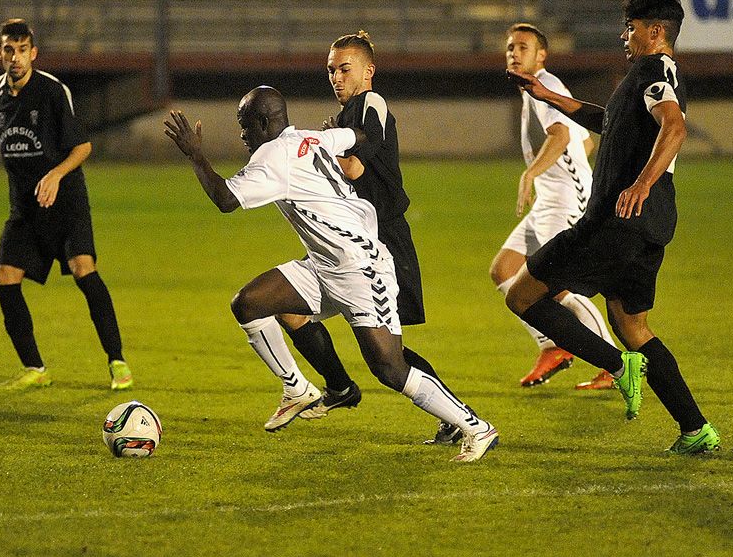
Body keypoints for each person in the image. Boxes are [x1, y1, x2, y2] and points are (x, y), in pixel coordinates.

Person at [163, 87, 498, 462]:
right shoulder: (313, 137)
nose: (242, 135)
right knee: (250, 303)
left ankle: (475, 427)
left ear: (262, 123)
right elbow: (360, 136)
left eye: (244, 126)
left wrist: (195, 155)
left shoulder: (273, 156)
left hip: (360, 267)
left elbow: (225, 199)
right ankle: (296, 388)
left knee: (389, 368)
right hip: (324, 265)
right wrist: (340, 140)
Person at [504, 0, 720, 454]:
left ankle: (618, 368)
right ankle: (695, 428)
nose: (625, 35)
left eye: (632, 27)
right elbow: (610, 123)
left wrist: (641, 183)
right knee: (632, 326)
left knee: (522, 295)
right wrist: (550, 97)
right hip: (647, 228)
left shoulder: (656, 70)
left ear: (655, 31)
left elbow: (674, 126)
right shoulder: (640, 78)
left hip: (614, 223)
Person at [272, 31, 465, 443]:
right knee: (289, 309)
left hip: (386, 242)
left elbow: (355, 168)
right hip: (354, 243)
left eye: (345, 69)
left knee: (387, 355)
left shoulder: (371, 103)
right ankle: (339, 387)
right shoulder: (345, 118)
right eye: (330, 70)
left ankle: (459, 419)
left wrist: (312, 153)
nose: (336, 77)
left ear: (368, 71)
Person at [0, 19, 133, 391]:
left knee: (83, 269)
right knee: (4, 277)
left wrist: (56, 175)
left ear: (33, 53)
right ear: (0, 53)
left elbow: (83, 147)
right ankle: (35, 369)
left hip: (66, 202)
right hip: (24, 207)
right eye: (9, 50)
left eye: (23, 50)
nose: (16, 57)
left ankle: (117, 362)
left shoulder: (53, 91)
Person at [494, 23, 617, 391]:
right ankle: (553, 347)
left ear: (541, 56)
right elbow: (583, 140)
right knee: (505, 269)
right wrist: (574, 165)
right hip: (551, 198)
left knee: (556, 285)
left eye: (523, 47)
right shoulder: (535, 89)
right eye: (510, 47)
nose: (514, 53)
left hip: (563, 200)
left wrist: (531, 174)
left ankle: (614, 361)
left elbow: (561, 135)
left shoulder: (546, 86)